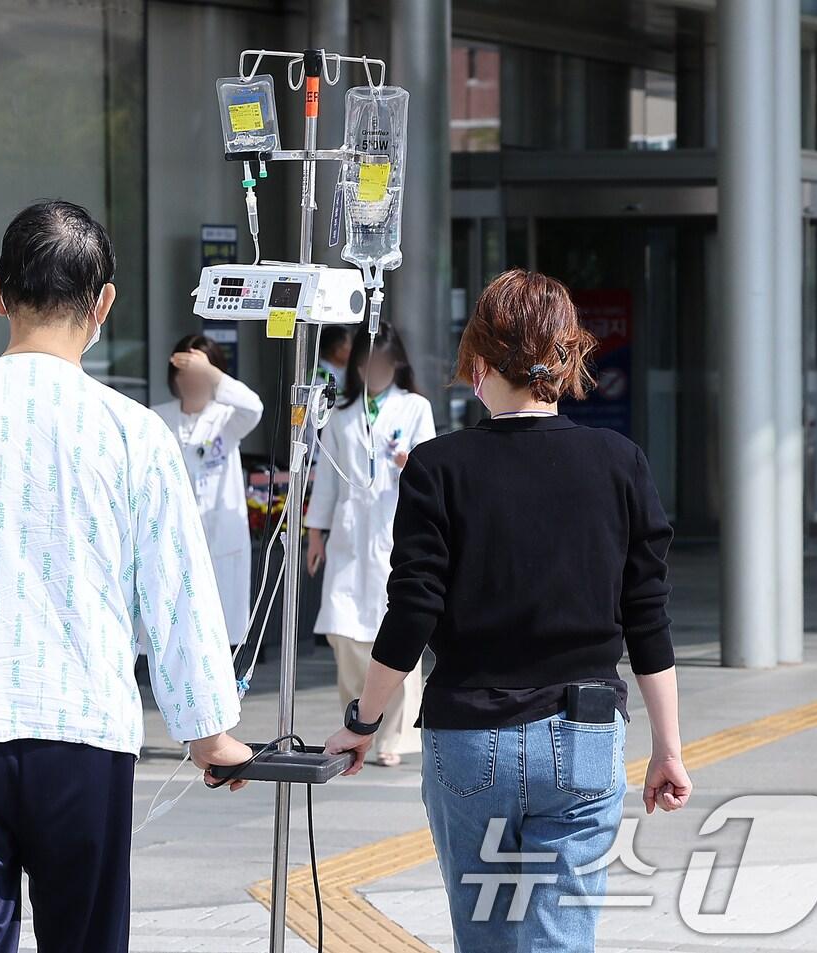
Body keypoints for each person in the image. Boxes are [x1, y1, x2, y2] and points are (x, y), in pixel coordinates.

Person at [0, 200, 250, 953]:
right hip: (82, 722)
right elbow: (178, 591)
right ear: (104, 303)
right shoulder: (132, 431)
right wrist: (207, 730)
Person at [326, 270, 692, 952]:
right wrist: (668, 749)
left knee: (487, 937)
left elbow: (411, 612)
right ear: (563, 359)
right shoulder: (621, 463)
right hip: (584, 739)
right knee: (560, 940)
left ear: (483, 366)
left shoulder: (439, 467)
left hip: (470, 736)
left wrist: (363, 721)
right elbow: (648, 617)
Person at [306, 322, 435, 766]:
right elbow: (325, 480)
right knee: (344, 632)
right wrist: (315, 533)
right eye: (367, 365)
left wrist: (410, 463)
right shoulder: (340, 417)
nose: (375, 372)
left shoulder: (415, 407)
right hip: (348, 534)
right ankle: (358, 720)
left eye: (383, 365)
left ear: (396, 365)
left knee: (396, 631)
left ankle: (395, 737)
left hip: (394, 532)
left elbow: (432, 472)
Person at [152, 334, 264, 646]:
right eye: (185, 372)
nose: (192, 380)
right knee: (176, 636)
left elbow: (254, 406)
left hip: (220, 540)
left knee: (219, 635)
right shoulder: (158, 417)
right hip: (174, 538)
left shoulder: (228, 418)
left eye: (200, 373)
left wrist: (210, 372)